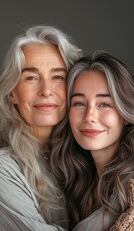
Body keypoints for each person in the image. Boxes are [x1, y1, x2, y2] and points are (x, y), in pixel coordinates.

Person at [0, 25, 83, 231]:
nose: (46, 90)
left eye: (57, 77)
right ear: (12, 93)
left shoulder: (82, 155)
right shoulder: (3, 168)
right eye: (31, 77)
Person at [50, 51, 134, 230]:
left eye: (104, 104)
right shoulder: (76, 184)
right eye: (79, 103)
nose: (89, 116)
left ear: (125, 112)